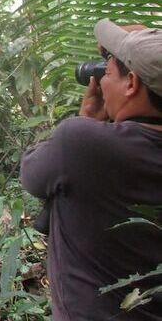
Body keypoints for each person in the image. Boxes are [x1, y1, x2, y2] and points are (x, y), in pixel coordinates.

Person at [20, 19, 162, 320]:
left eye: (107, 72)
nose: (102, 81)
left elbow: (31, 174)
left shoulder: (82, 142)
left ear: (132, 83)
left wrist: (86, 119)